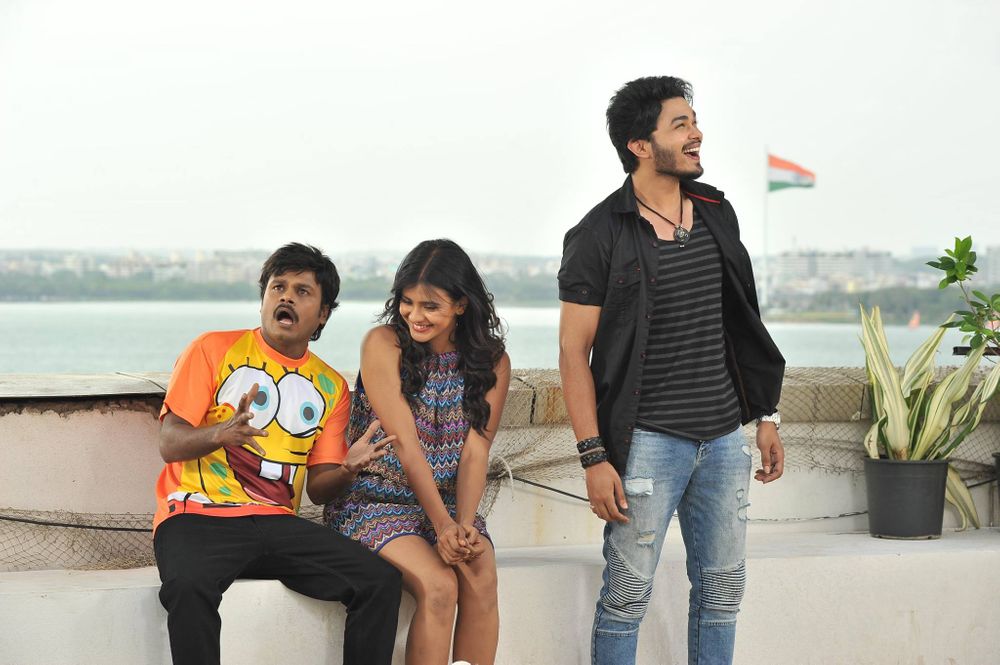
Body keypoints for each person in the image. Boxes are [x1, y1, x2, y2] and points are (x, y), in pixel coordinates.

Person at [557, 76, 786, 665]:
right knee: (626, 597)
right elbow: (573, 353)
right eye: (680, 124)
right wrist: (593, 458)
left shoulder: (715, 211)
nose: (696, 133)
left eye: (694, 121)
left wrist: (766, 414)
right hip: (647, 444)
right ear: (640, 144)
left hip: (724, 440)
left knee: (722, 593)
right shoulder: (598, 234)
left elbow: (742, 321)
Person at [153, 242, 402, 665]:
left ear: (323, 314)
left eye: (303, 291)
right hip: (197, 515)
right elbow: (169, 443)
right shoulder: (212, 349)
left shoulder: (330, 386)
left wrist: (346, 469)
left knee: (380, 581)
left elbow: (319, 488)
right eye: (278, 287)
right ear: (264, 297)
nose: (286, 297)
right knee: (188, 587)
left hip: (277, 523)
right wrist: (222, 433)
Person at [323, 239, 510, 665]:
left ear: (461, 305)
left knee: (481, 578)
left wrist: (462, 526)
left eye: (430, 306)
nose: (414, 315)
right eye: (407, 302)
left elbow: (475, 452)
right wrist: (443, 527)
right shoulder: (383, 343)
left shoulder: (493, 362)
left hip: (447, 505)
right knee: (439, 586)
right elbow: (406, 445)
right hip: (373, 500)